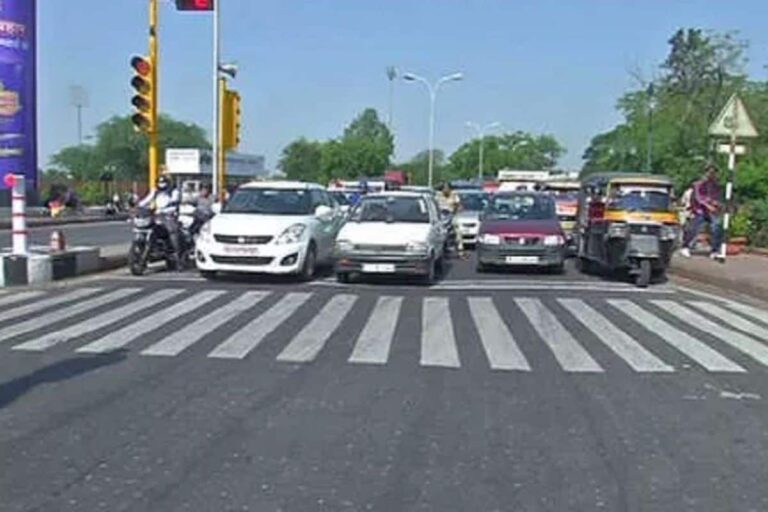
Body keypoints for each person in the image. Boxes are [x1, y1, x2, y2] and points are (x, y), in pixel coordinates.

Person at [680, 164, 723, 259]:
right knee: (693, 228)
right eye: (709, 172)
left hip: (711, 211)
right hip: (699, 210)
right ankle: (685, 246)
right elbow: (698, 198)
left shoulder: (715, 185)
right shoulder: (698, 184)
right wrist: (708, 205)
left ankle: (715, 250)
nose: (711, 175)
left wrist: (716, 203)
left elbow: (716, 197)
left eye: (713, 173)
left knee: (717, 226)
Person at [139, 175, 182, 267]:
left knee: (172, 232)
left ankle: (178, 257)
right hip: (157, 215)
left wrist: (170, 206)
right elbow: (146, 200)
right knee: (149, 229)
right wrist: (138, 205)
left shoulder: (174, 191)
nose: (161, 184)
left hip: (169, 215)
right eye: (159, 182)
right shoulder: (155, 191)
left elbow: (175, 201)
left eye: (163, 182)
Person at [436, 183, 466, 258]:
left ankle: (460, 251)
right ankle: (442, 251)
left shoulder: (454, 195)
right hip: (441, 217)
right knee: (440, 234)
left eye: (447, 188)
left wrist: (456, 209)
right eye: (444, 188)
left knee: (458, 231)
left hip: (452, 215)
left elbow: (458, 205)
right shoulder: (438, 196)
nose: (445, 190)